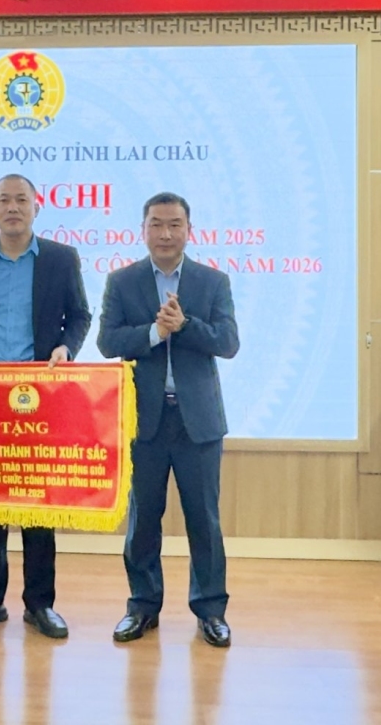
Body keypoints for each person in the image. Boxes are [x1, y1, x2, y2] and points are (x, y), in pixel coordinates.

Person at [0, 173, 92, 640]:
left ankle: (40, 604)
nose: (13, 207)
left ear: (36, 207)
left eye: (21, 200)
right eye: (4, 200)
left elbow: (80, 314)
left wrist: (67, 348)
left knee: (37, 503)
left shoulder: (60, 258)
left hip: (40, 394)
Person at [96, 192, 239, 647]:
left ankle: (211, 610)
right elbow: (107, 341)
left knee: (204, 520)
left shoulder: (212, 282)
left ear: (189, 230)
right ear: (143, 230)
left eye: (174, 224)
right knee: (143, 520)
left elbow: (228, 342)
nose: (165, 233)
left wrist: (185, 325)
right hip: (145, 421)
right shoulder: (123, 282)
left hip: (198, 422)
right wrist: (155, 333)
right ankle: (142, 606)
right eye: (156, 224)